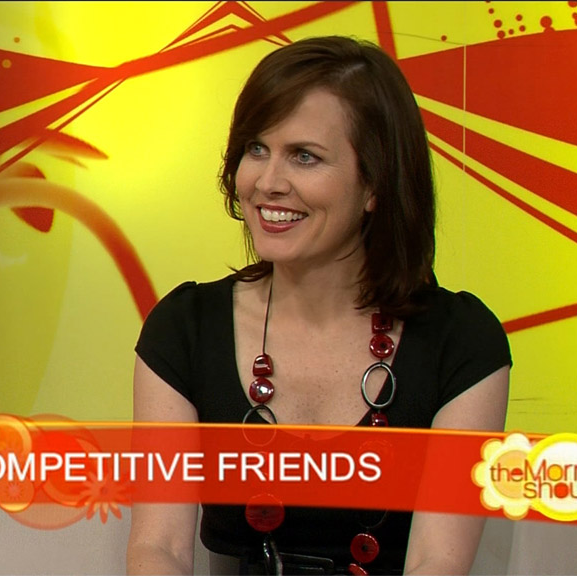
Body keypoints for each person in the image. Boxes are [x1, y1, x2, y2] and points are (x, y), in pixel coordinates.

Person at [127, 36, 511, 575]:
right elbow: (159, 548)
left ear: (374, 183)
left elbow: (436, 561)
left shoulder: (461, 343)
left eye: (304, 156)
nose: (268, 183)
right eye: (256, 149)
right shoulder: (184, 329)